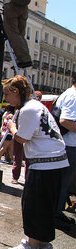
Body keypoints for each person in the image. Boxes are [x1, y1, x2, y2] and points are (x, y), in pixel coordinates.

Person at [5, 75, 68, 249]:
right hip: (56, 162)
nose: (6, 99)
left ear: (16, 92)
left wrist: (11, 126)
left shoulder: (29, 109)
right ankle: (44, 243)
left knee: (33, 204)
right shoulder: (36, 106)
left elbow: (21, 138)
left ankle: (32, 245)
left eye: (7, 94)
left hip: (45, 164)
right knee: (47, 206)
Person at [54, 76, 76, 225]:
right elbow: (65, 121)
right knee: (63, 181)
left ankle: (57, 210)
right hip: (69, 146)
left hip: (68, 145)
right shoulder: (73, 96)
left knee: (64, 181)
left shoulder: (69, 93)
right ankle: (55, 214)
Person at [3, 0, 32, 68]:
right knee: (20, 35)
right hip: (24, 7)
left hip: (11, 5)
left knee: (12, 33)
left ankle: (24, 59)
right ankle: (25, 58)